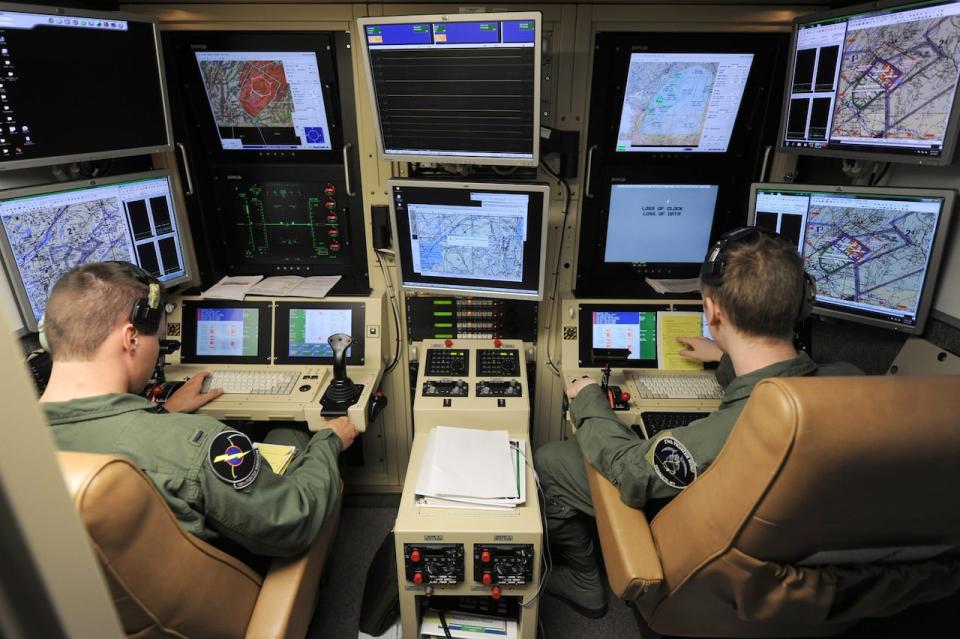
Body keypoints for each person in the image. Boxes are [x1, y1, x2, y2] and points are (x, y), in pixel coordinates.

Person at [534, 228, 859, 618]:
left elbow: (630, 470)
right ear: (802, 304)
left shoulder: (740, 429)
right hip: (812, 559)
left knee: (552, 459)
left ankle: (586, 581)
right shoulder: (851, 379)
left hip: (697, 542)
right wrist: (724, 354)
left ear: (713, 311)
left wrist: (587, 398)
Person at [40, 261, 357, 559]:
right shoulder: (195, 445)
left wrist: (164, 414)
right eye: (158, 340)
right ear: (131, 338)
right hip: (219, 587)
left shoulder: (16, 449)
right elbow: (292, 520)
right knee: (290, 433)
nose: (157, 352)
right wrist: (328, 443)